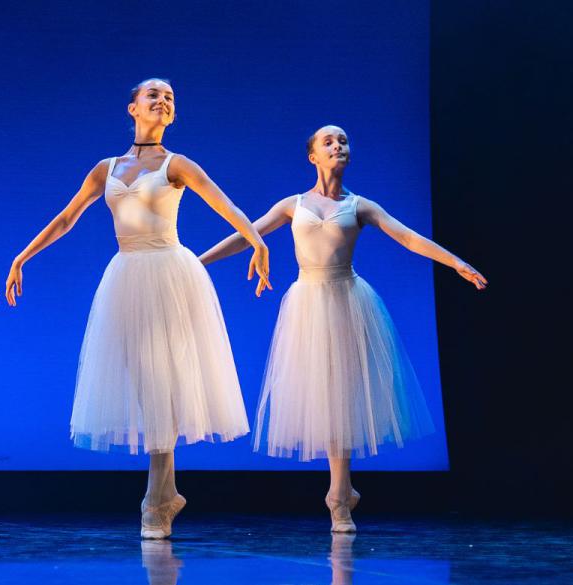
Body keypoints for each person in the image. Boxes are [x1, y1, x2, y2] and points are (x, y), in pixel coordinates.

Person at [5, 79, 270, 539]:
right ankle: (166, 493)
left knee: (164, 378)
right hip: (127, 274)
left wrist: (257, 241)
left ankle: (155, 499)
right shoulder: (105, 168)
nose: (162, 101)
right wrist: (22, 256)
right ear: (133, 108)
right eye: (154, 95)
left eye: (170, 98)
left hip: (168, 270)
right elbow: (67, 218)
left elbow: (221, 202)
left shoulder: (177, 164)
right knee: (146, 382)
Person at [198, 124, 487, 532]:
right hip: (307, 302)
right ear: (313, 156)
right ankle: (343, 491)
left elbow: (407, 237)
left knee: (342, 393)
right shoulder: (293, 204)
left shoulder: (360, 206)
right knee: (320, 391)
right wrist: (197, 263)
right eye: (329, 142)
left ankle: (338, 496)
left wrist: (455, 262)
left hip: (347, 300)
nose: (338, 146)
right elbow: (247, 235)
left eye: (344, 141)